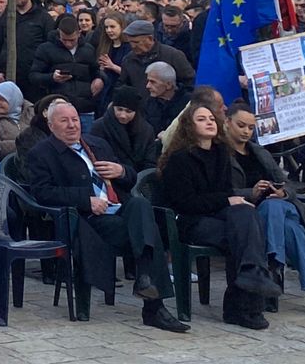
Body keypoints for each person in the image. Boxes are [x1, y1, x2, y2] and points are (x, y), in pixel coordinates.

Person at [22, 99, 186, 332]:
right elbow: (41, 192)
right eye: (64, 121)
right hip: (88, 220)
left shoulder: (97, 144)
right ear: (51, 126)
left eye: (75, 119)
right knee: (148, 235)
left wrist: (121, 171)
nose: (72, 125)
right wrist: (84, 200)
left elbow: (130, 179)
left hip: (120, 208)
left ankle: (146, 283)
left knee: (140, 205)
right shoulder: (42, 153)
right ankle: (153, 306)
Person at [158, 98, 281, 329]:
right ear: (189, 126)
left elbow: (225, 194)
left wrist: (230, 201)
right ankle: (245, 304)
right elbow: (186, 203)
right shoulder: (180, 159)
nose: (209, 123)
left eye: (212, 119)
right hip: (190, 222)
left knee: (244, 217)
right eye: (201, 119)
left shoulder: (221, 154)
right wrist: (226, 200)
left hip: (220, 217)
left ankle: (245, 295)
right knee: (246, 231)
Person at [223, 102, 305, 318]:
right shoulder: (220, 155)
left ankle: (274, 268)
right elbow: (220, 190)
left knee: (275, 206)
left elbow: (287, 183)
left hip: (279, 207)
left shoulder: (258, 151)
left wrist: (283, 192)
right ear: (227, 123)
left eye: (251, 128)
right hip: (251, 213)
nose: (246, 131)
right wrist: (249, 193)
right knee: (292, 231)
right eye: (241, 125)